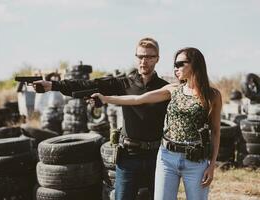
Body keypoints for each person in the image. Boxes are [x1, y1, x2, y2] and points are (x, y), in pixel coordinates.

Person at [33, 37, 169, 200]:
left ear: (157, 59)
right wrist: (53, 86)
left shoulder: (165, 88)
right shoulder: (124, 83)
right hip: (128, 156)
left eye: (149, 57)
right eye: (140, 56)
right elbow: (88, 84)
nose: (143, 61)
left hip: (157, 156)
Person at [92, 47, 222, 200]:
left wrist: (212, 165)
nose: (176, 68)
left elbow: (215, 131)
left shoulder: (212, 95)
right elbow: (138, 99)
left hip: (195, 162)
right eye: (175, 64)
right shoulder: (173, 89)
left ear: (195, 64)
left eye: (180, 63)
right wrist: (106, 99)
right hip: (167, 158)